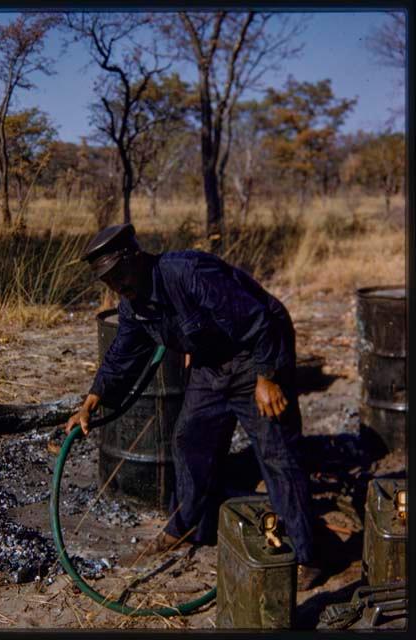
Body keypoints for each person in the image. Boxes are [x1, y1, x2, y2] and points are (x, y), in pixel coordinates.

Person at [65, 223, 322, 590]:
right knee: (189, 439)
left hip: (256, 354)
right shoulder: (132, 306)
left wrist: (268, 377)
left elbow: (259, 320)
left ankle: (305, 554)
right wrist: (93, 399)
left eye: (119, 273)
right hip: (210, 364)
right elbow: (121, 355)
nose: (118, 284)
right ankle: (189, 524)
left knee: (277, 450)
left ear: (136, 257)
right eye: (108, 280)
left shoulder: (188, 272)